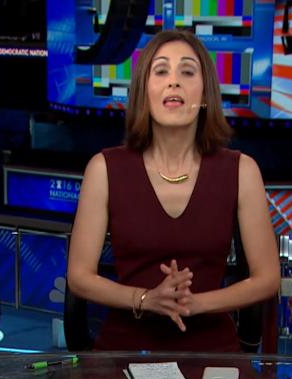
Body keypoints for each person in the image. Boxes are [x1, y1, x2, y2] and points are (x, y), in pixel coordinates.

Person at [66, 30, 279, 352]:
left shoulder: (242, 170)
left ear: (205, 94)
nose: (174, 82)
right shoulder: (104, 169)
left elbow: (267, 278)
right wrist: (146, 299)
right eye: (161, 71)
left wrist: (196, 303)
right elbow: (79, 276)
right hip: (125, 348)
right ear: (144, 92)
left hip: (211, 350)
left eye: (187, 72)